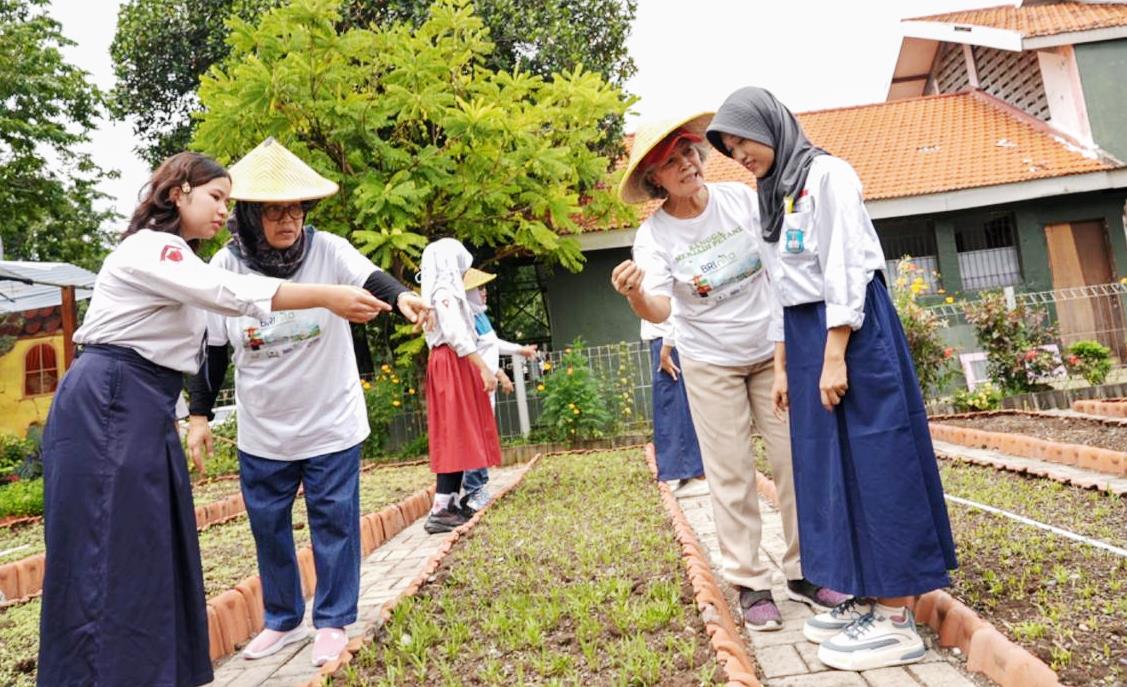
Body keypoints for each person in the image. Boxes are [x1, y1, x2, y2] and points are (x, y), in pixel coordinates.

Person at [37, 152, 385, 687]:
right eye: (216, 197)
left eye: (228, 200)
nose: (225, 209)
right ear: (178, 192)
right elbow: (228, 297)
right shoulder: (154, 249)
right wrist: (326, 297)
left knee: (152, 546)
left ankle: (156, 672)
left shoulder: (188, 259)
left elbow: (204, 333)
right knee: (106, 547)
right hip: (109, 404)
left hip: (144, 406)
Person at [707, 86, 958, 671]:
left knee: (876, 462)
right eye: (729, 147)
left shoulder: (827, 176)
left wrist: (835, 352)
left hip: (851, 331)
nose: (738, 154)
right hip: (803, 337)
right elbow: (778, 287)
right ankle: (865, 593)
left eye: (741, 139)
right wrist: (782, 365)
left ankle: (898, 615)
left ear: (769, 125)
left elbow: (848, 265)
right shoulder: (776, 195)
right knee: (828, 470)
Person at [183, 138, 429, 666]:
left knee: (334, 522)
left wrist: (403, 297)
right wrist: (199, 415)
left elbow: (371, 278)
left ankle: (334, 619)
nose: (288, 221)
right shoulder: (225, 267)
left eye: (294, 209)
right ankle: (282, 617)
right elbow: (212, 351)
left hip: (330, 422)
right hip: (264, 430)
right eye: (273, 212)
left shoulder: (327, 250)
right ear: (248, 216)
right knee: (267, 526)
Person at [610, 114, 846, 631]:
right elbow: (659, 308)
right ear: (656, 181)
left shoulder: (741, 201)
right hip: (709, 361)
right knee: (731, 471)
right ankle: (750, 582)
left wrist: (788, 356)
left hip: (770, 352)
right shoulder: (654, 236)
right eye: (671, 163)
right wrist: (633, 295)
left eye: (689, 153)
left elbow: (783, 269)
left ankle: (807, 571)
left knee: (793, 461)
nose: (686, 165)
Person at [419, 238, 503, 534]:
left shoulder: (438, 294)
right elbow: (458, 336)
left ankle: (449, 505)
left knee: (456, 432)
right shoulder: (444, 293)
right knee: (454, 432)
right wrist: (484, 370)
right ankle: (442, 509)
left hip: (452, 362)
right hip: (453, 362)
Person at [460, 267, 537, 512]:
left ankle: (477, 487)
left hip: (487, 386)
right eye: (479, 289)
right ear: (468, 292)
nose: (484, 293)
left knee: (482, 436)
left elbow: (491, 346)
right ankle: (474, 490)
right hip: (476, 385)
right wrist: (494, 371)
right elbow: (470, 354)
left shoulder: (480, 316)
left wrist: (518, 351)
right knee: (477, 438)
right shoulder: (466, 319)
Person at [640, 317, 708, 497]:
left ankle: (698, 474)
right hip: (665, 342)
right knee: (670, 406)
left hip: (668, 343)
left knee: (676, 406)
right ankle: (686, 474)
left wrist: (667, 346)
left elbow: (672, 309)